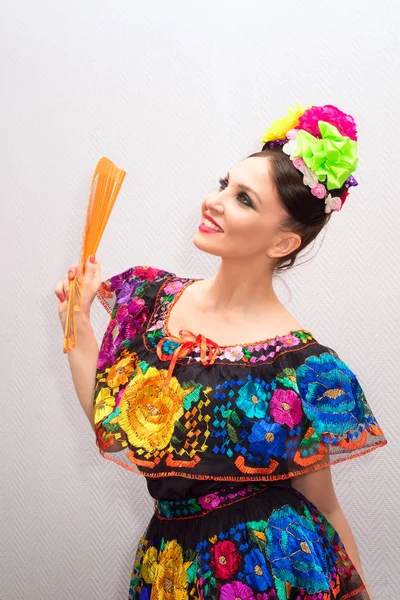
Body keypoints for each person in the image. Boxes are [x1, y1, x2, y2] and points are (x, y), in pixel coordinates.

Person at [55, 104, 388, 600]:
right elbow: (112, 417)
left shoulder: (305, 366)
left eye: (244, 199)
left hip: (267, 573)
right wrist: (78, 324)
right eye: (223, 183)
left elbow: (324, 503)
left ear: (282, 241)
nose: (213, 201)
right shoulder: (152, 303)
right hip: (167, 565)